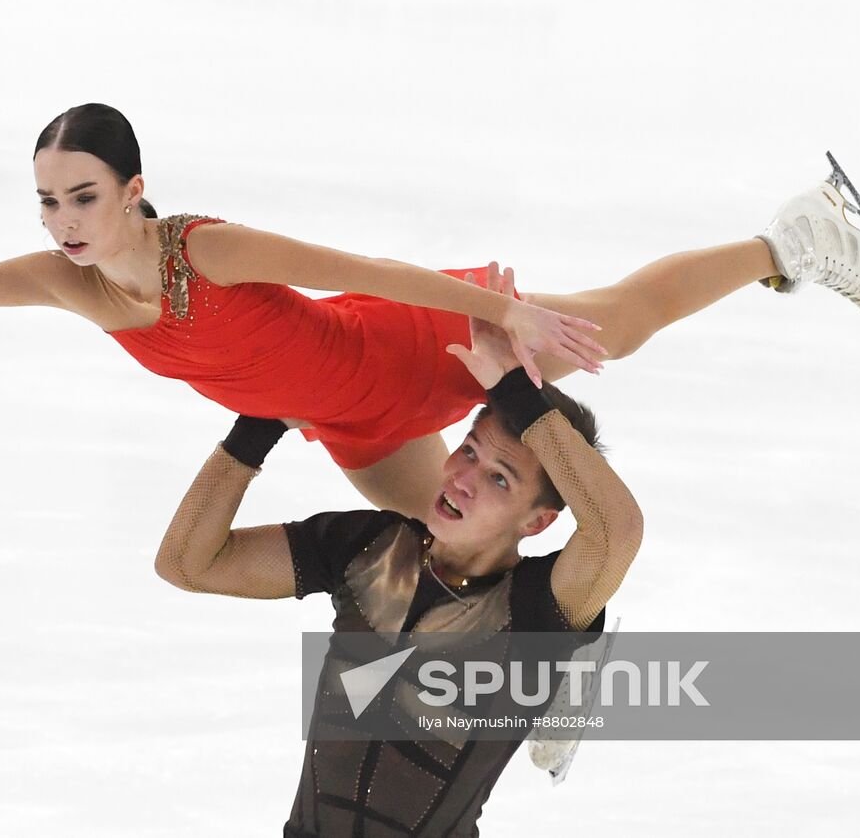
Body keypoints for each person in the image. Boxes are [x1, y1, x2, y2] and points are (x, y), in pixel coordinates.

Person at [0, 103, 860, 518]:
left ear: (133, 186)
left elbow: (363, 269)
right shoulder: (68, 284)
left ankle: (786, 238)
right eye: (47, 200)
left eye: (83, 196)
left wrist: (499, 318)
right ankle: (545, 673)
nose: (60, 223)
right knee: (444, 546)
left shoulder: (205, 250)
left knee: (611, 326)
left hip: (408, 340)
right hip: (348, 425)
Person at [154, 268, 641, 836]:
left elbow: (617, 530)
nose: (462, 478)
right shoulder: (368, 548)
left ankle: (569, 670)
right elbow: (188, 563)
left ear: (538, 523)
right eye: (469, 451)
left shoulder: (537, 608)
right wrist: (259, 425)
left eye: (500, 479)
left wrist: (514, 389)